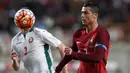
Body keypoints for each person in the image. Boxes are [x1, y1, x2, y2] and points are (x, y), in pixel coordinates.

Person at [55, 1, 110, 73]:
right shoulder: (78, 34)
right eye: (82, 13)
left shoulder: (102, 33)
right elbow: (70, 55)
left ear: (95, 15)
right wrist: (57, 69)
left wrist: (74, 54)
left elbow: (98, 57)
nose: (82, 15)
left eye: (86, 13)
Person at [11, 8, 67, 73]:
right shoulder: (15, 40)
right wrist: (14, 61)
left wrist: (65, 71)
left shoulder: (40, 33)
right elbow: (16, 68)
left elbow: (62, 47)